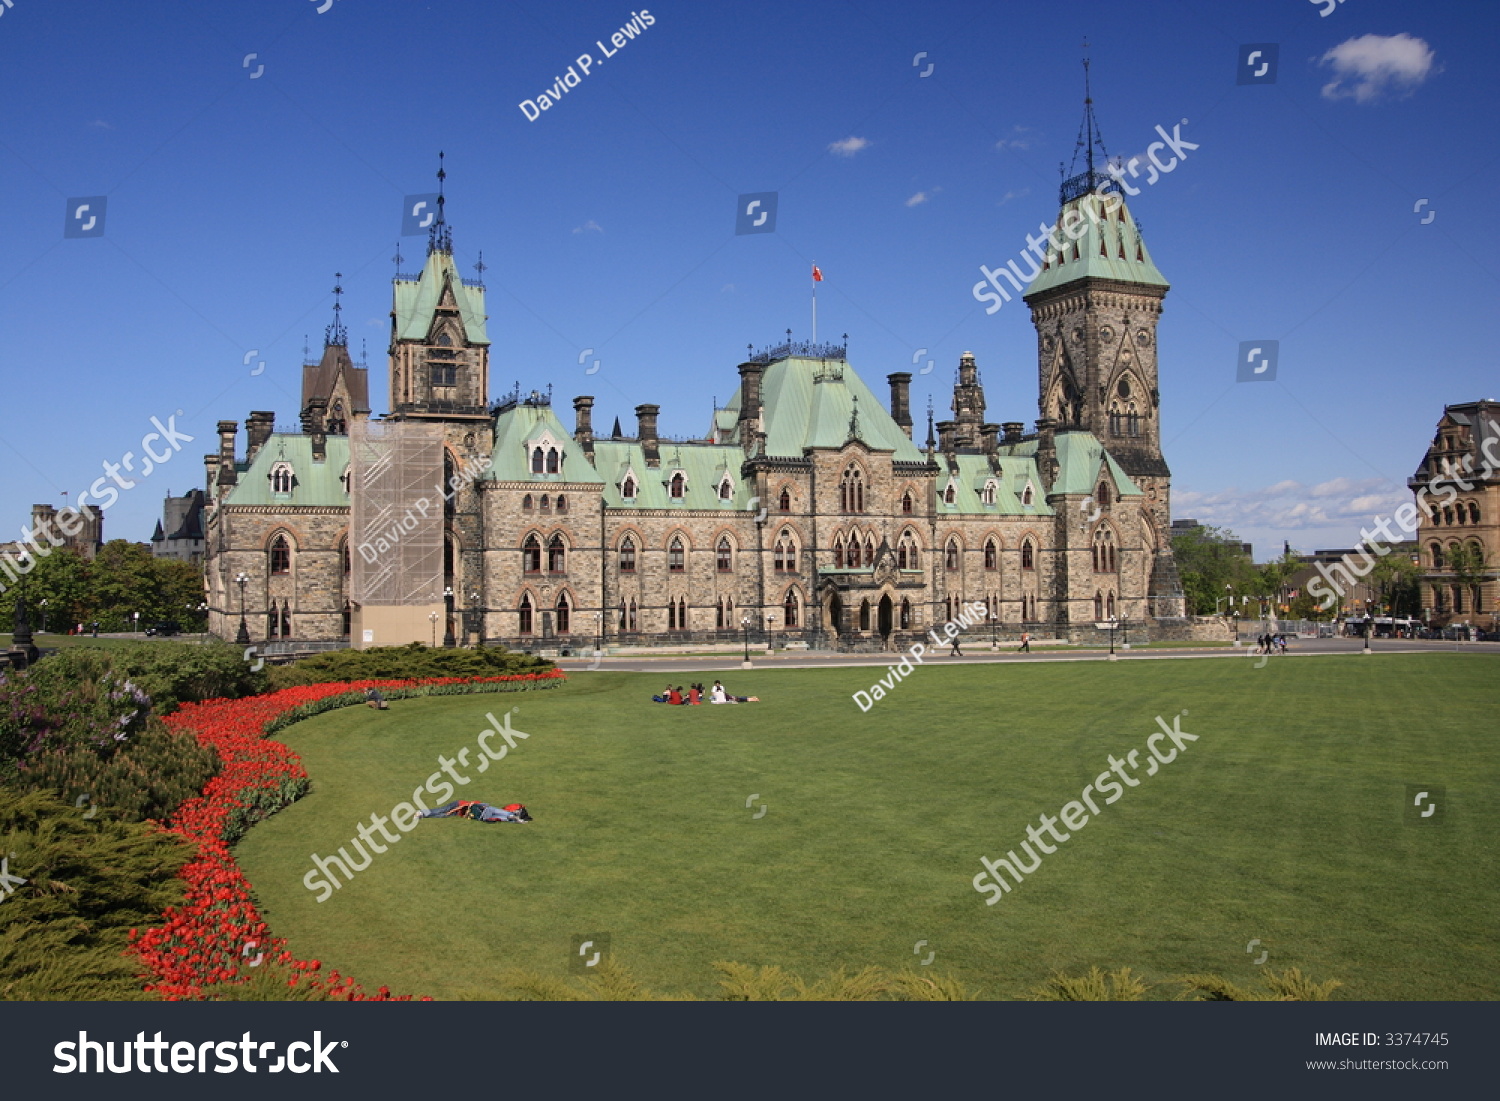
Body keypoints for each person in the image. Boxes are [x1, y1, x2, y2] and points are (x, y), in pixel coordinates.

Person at [420, 800, 531, 823]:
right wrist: (452, 811)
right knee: (442, 810)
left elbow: (466, 813)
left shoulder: (477, 807)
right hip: (457, 805)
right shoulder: (472, 804)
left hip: (459, 812)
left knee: (443, 815)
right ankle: (422, 813)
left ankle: (513, 817)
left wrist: (466, 815)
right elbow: (465, 805)